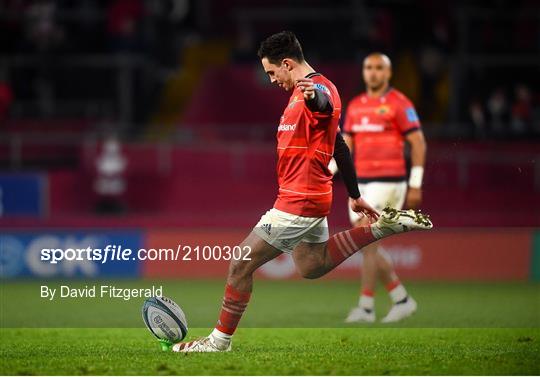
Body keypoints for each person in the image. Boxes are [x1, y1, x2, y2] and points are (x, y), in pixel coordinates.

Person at [172, 32, 432, 353]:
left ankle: (218, 342)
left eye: (271, 73)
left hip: (300, 198)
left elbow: (320, 105)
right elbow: (339, 145)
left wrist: (312, 99)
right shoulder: (309, 89)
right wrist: (354, 193)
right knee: (312, 265)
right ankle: (380, 229)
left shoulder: (314, 90)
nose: (271, 80)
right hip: (312, 194)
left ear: (286, 64)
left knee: (240, 262)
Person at [335, 53, 427, 323]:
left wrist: (416, 183)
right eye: (369, 68)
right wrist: (326, 172)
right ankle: (402, 299)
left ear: (388, 74)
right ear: (364, 73)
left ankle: (365, 307)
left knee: (365, 236)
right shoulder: (355, 106)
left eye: (379, 68)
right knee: (367, 244)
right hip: (360, 184)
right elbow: (345, 148)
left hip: (390, 182)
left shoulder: (399, 103)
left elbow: (418, 143)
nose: (373, 73)